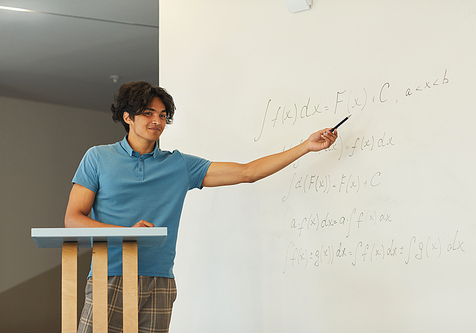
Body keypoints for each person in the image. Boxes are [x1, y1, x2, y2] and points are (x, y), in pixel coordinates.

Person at [65, 81, 338, 333]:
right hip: (110, 274)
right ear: (128, 117)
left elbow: (248, 172)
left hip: (159, 280)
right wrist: (127, 232)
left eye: (162, 115)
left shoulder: (179, 165)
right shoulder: (98, 158)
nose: (157, 121)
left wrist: (306, 146)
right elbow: (73, 219)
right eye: (148, 113)